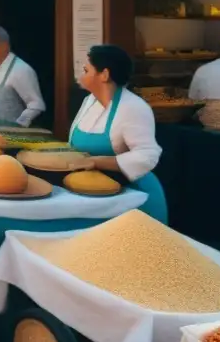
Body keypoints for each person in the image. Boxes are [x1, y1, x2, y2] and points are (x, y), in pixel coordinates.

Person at [71, 44, 166, 223]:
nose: (81, 75)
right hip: (96, 193)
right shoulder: (88, 102)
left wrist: (97, 161)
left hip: (133, 197)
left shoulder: (134, 107)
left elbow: (148, 155)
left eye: (86, 70)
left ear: (104, 75)